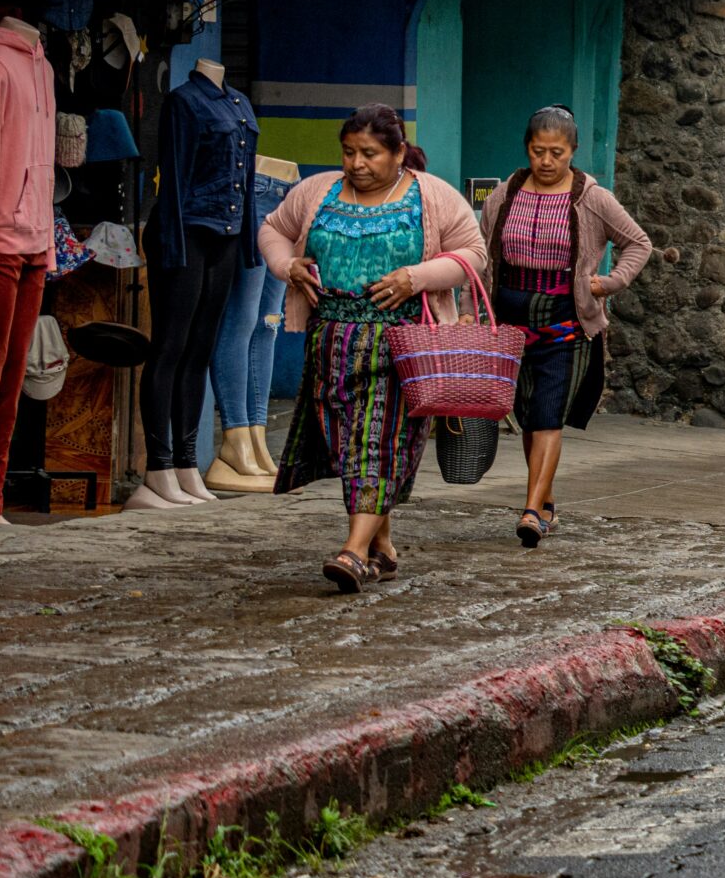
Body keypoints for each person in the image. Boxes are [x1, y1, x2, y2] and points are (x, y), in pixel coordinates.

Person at [259, 106, 488, 591]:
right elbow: (273, 228)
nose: (356, 163)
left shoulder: (431, 195)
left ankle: (354, 552)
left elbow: (474, 253)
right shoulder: (317, 191)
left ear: (398, 153)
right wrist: (288, 267)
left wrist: (416, 277)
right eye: (349, 152)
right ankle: (382, 544)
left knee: (376, 445)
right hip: (330, 344)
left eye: (370, 153)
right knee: (347, 448)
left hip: (400, 346)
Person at [477, 105, 654, 546]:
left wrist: (609, 282)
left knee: (548, 414)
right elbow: (479, 256)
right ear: (527, 149)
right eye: (539, 151)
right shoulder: (505, 194)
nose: (547, 160)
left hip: (566, 326)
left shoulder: (593, 198)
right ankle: (546, 498)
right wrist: (471, 308)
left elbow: (638, 243)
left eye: (557, 152)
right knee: (526, 413)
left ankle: (532, 510)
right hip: (510, 327)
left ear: (573, 150)